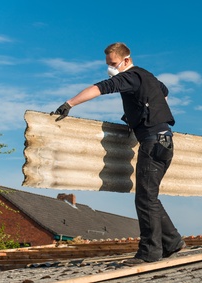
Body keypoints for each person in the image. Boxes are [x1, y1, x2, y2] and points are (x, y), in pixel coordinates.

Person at [51, 42, 185, 264]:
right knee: (149, 196)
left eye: (113, 64)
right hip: (165, 141)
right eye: (108, 64)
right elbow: (164, 92)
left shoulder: (129, 76)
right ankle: (172, 242)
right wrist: (150, 110)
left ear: (126, 60)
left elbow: (100, 87)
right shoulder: (147, 76)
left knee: (145, 199)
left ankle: (150, 252)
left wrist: (69, 103)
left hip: (153, 142)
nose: (110, 68)